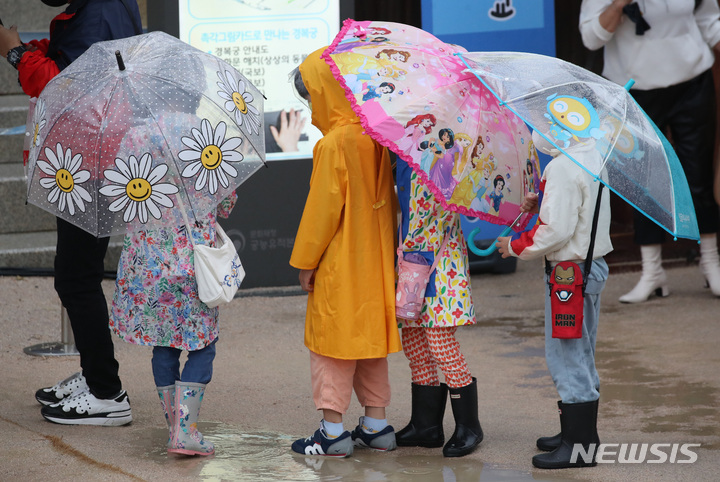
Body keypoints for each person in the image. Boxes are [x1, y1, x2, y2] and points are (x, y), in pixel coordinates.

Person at [0, 0, 141, 425]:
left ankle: (106, 392)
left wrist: (15, 52)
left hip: (90, 160)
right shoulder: (100, 7)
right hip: (89, 157)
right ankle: (94, 373)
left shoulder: (98, 12)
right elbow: (72, 59)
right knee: (77, 274)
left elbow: (64, 86)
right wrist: (27, 48)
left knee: (77, 278)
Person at [288, 47, 402, 457]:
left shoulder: (333, 144)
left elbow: (321, 213)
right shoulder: (378, 136)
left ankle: (332, 431)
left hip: (340, 263)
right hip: (374, 262)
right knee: (370, 344)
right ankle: (376, 424)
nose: (310, 104)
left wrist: (306, 262)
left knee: (331, 347)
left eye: (310, 95)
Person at [579, 0, 720, 303]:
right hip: (636, 86)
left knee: (698, 174)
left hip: (693, 80)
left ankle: (711, 263)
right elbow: (591, 37)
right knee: (644, 180)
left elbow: (710, 20)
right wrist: (618, 4)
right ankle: (652, 271)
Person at [496, 131, 613, 469]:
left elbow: (558, 229)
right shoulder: (593, 156)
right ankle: (579, 435)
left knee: (565, 354)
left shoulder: (563, 167)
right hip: (590, 268)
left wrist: (517, 246)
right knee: (581, 350)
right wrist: (543, 199)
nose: (538, 134)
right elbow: (577, 211)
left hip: (568, 275)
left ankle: (578, 447)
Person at [109, 194, 237, 456]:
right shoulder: (205, 156)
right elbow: (226, 205)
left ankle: (176, 429)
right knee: (203, 345)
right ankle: (185, 431)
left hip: (150, 267)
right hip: (193, 268)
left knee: (164, 346)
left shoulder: (136, 156)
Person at [394, 155, 483, 458]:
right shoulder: (404, 156)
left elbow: (424, 215)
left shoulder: (445, 159)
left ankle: (468, 426)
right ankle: (425, 425)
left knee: (440, 340)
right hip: (415, 263)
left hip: (440, 263)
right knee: (415, 339)